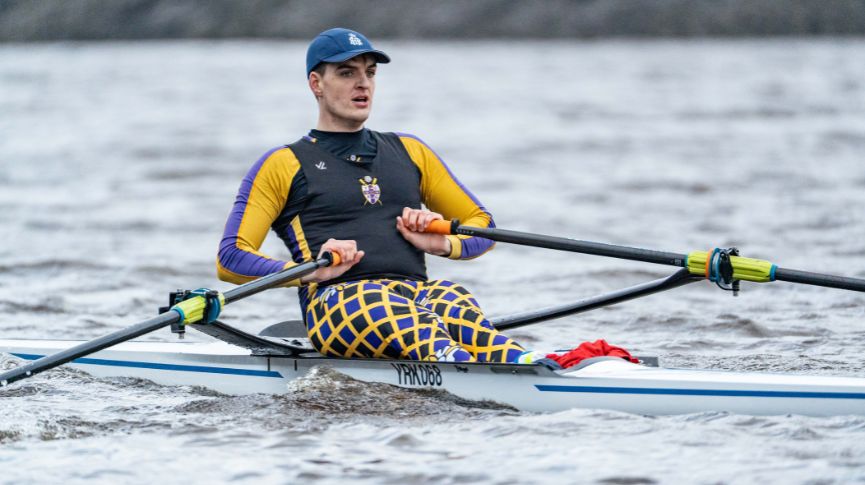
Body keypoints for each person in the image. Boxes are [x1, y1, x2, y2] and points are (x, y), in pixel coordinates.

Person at [217, 28, 525, 363]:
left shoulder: (411, 151)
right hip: (337, 304)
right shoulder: (282, 164)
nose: (363, 83)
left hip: (414, 298)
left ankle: (520, 362)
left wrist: (443, 243)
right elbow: (231, 258)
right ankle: (453, 360)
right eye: (347, 73)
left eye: (370, 73)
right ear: (316, 84)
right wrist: (309, 270)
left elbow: (483, 226)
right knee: (374, 298)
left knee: (451, 294)